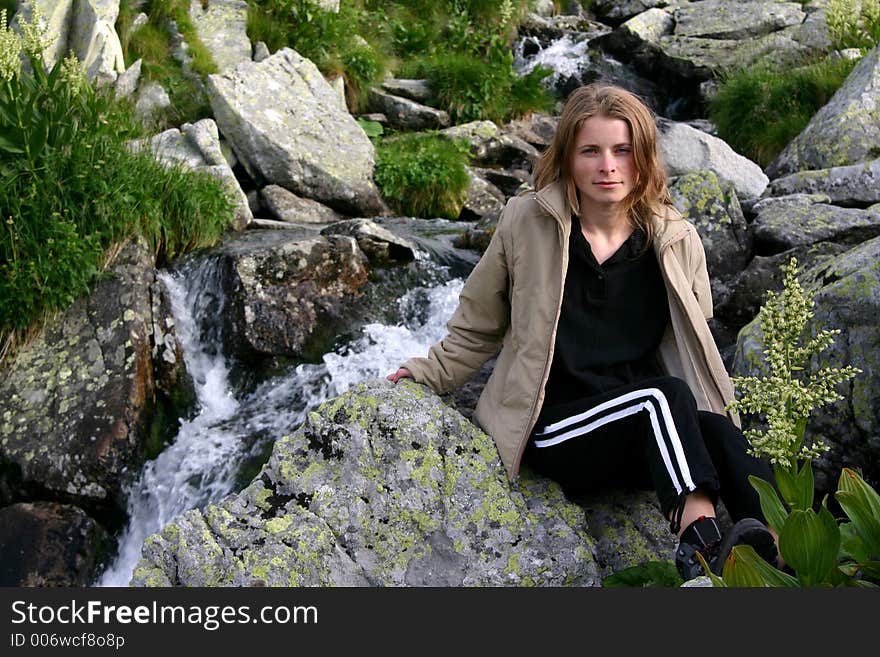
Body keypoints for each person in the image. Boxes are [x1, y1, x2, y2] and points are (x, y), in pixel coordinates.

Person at [386, 83, 779, 582]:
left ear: (643, 158)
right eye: (590, 151)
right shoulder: (525, 222)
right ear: (568, 157)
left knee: (720, 430)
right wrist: (426, 374)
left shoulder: (674, 236)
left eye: (622, 150)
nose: (607, 165)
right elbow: (477, 327)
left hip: (640, 434)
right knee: (660, 399)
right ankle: (699, 544)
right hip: (556, 430)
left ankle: (783, 556)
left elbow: (693, 336)